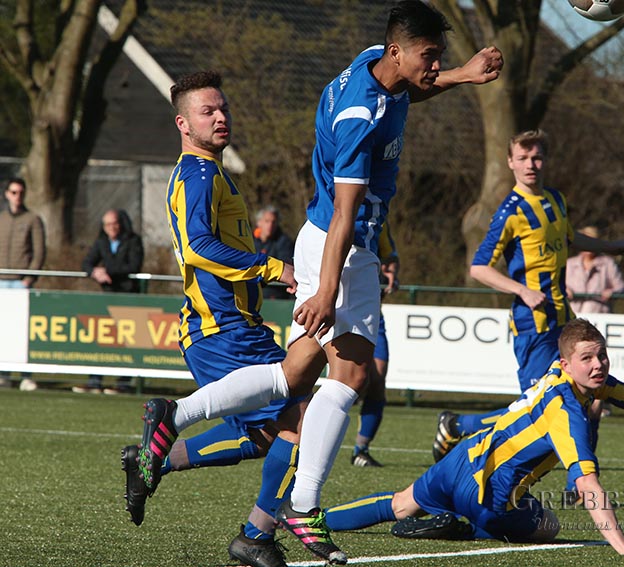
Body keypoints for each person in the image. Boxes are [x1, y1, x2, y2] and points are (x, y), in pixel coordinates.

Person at [133, 4, 503, 565]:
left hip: (324, 240)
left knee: (295, 375)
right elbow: (345, 214)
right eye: (431, 56)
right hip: (342, 248)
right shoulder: (357, 117)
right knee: (348, 376)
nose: (435, 65)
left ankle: (195, 443)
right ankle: (302, 505)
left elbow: (407, 90)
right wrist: (326, 289)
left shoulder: (372, 64)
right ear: (398, 52)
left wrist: (461, 75)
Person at [323, 318, 624, 555]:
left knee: (399, 504)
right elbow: (587, 484)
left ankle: (311, 519)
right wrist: (623, 546)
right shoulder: (568, 413)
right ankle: (462, 528)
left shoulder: (565, 376)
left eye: (602, 355)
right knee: (548, 524)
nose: (598, 365)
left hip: (459, 460)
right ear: (566, 363)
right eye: (588, 358)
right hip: (488, 496)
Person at [122, 70, 309, 567]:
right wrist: (274, 267)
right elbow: (197, 248)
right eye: (208, 111)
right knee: (302, 418)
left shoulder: (213, 172)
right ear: (183, 123)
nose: (221, 117)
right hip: (222, 329)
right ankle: (256, 535)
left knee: (267, 434)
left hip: (231, 328)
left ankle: (153, 460)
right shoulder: (199, 174)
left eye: (223, 108)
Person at [433, 130, 624, 461]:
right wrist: (522, 290)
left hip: (564, 318)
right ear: (510, 162)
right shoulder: (509, 212)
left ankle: (579, 481)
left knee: (591, 396)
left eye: (537, 157)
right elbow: (479, 268)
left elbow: (571, 238)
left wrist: (610, 247)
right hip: (533, 324)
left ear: (546, 160)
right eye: (523, 158)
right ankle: (457, 425)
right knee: (538, 409)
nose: (531, 165)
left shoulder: (555, 199)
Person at [73, 209, 144, 395]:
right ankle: (95, 381)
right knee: (101, 339)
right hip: (108, 297)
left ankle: (123, 383)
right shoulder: (101, 242)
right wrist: (94, 272)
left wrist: (107, 271)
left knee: (127, 341)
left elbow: (133, 266)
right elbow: (87, 263)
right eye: (107, 225)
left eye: (114, 223)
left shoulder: (133, 241)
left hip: (128, 297)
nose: (111, 228)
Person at [352, 221, 400, 467]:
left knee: (377, 380)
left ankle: (360, 450)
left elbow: (390, 256)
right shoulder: (333, 210)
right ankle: (299, 439)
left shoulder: (379, 217)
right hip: (341, 305)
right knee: (353, 381)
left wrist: (391, 271)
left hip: (372, 309)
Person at [0, 177, 45, 391]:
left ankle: (26, 376)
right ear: (7, 194)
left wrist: (29, 277)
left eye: (21, 192)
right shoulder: (1, 219)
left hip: (20, 283)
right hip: (1, 281)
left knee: (22, 331)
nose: (17, 196)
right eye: (14, 192)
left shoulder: (32, 219)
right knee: (3, 330)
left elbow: (39, 251)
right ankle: (4, 374)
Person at [566, 225, 624, 314]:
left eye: (591, 242)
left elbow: (621, 287)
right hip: (573, 314)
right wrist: (565, 290)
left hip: (599, 315)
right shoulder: (569, 263)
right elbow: (557, 285)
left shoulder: (607, 263)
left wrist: (611, 292)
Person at [253, 205, 295, 300]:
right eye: (267, 221)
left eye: (274, 222)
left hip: (275, 294)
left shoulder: (284, 242)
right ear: (259, 222)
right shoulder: (250, 241)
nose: (270, 225)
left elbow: (286, 266)